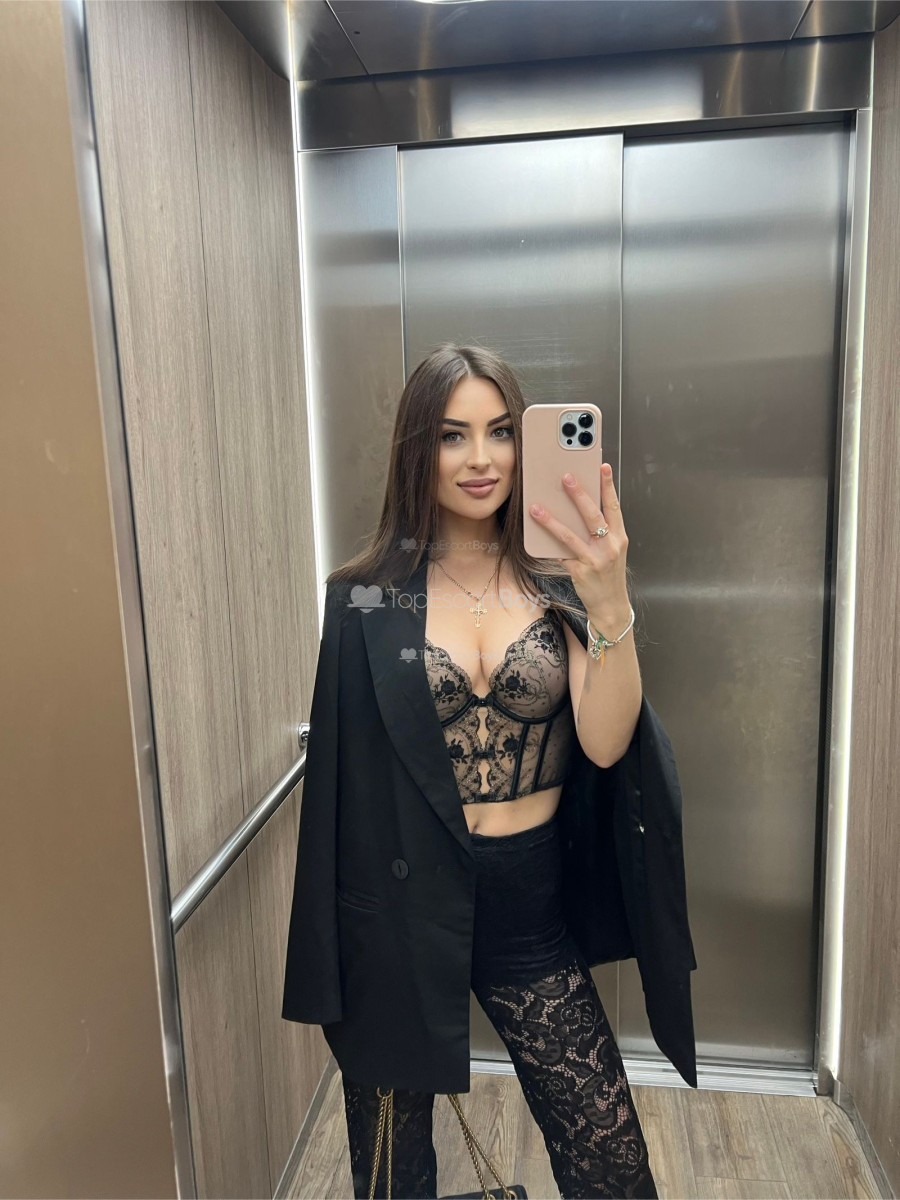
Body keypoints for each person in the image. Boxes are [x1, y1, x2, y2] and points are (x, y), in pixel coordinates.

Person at [283, 344, 696, 1199]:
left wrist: (611, 601)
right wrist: (332, 957)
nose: (481, 459)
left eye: (502, 432)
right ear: (416, 449)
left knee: (612, 1164)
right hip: (398, 915)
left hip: (527, 911)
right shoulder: (361, 599)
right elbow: (338, 793)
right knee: (393, 1174)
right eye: (452, 435)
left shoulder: (560, 584)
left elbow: (607, 743)